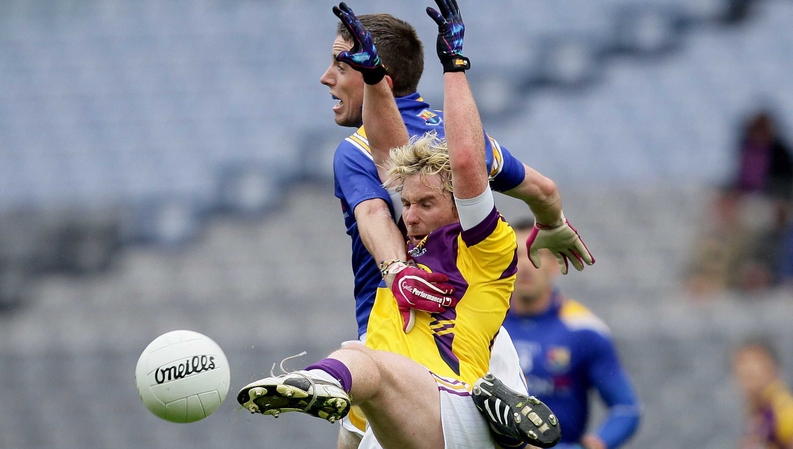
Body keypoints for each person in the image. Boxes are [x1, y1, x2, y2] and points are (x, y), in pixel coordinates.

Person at [238, 2, 562, 448]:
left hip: (441, 373)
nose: (407, 215)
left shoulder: (480, 236)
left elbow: (431, 184)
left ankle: (323, 381)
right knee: (362, 370)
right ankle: (499, 425)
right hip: (415, 351)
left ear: (457, 199)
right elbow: (399, 164)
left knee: (363, 363)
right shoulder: (423, 189)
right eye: (404, 204)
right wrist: (554, 221)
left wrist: (455, 65)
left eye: (424, 203)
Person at [320, 2, 593, 448]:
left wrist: (396, 270)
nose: (326, 76)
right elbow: (542, 190)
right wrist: (553, 223)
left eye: (339, 64)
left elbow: (374, 212)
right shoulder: (461, 135)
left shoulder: (355, 149)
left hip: (402, 335)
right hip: (482, 334)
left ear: (380, 77)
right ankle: (494, 415)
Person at [502, 218, 641, 449]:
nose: (525, 264)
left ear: (555, 264)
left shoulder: (583, 330)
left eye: (535, 254)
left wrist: (592, 445)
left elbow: (626, 409)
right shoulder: (486, 326)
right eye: (516, 255)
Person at [732, 337, 793, 449]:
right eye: (741, 361)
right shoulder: (758, 408)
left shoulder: (783, 410)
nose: (748, 368)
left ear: (773, 367)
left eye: (757, 360)